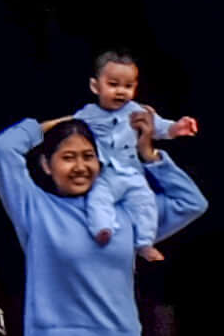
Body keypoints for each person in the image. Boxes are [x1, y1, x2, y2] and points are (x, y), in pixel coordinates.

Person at [0, 108, 200, 336]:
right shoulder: (35, 209)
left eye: (88, 156)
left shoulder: (125, 214)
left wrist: (151, 155)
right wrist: (55, 123)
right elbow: (0, 150)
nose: (80, 166)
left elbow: (190, 202)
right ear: (45, 165)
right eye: (67, 157)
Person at [63, 47, 198, 251]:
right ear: (95, 86)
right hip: (103, 175)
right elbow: (71, 133)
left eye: (128, 86)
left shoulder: (138, 111)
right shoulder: (87, 115)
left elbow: (160, 129)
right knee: (98, 200)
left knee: (145, 203)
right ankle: (103, 229)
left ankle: (144, 242)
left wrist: (177, 128)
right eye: (113, 84)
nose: (121, 91)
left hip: (132, 172)